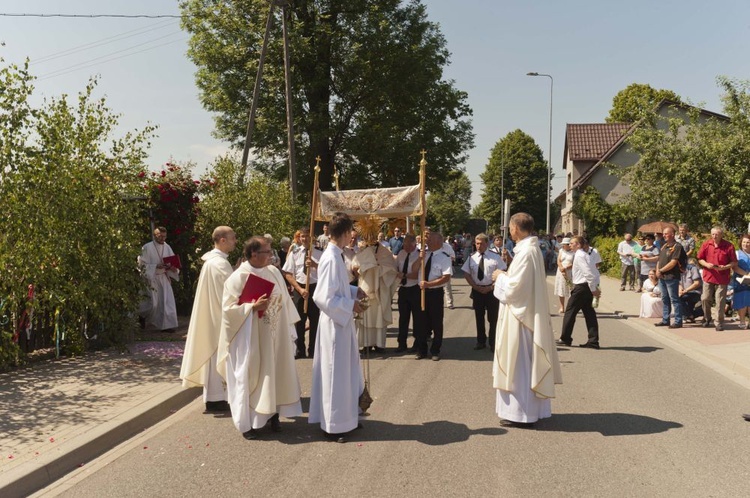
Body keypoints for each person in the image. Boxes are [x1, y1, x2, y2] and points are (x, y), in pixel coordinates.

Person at [216, 236, 302, 440]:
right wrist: (251, 307)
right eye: (267, 252)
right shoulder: (238, 277)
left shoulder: (273, 272)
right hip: (250, 340)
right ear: (254, 254)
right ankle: (247, 423)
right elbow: (228, 312)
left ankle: (272, 415)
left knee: (275, 374)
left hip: (275, 334)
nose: (272, 256)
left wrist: (290, 329)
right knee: (250, 377)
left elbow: (284, 300)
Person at [492, 212, 562, 424]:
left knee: (519, 365)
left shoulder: (527, 252)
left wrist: (500, 277)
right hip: (523, 315)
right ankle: (524, 412)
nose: (510, 231)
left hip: (521, 320)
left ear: (516, 228)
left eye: (511, 227)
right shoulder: (528, 250)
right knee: (520, 364)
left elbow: (514, 290)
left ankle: (522, 414)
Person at [309, 212, 367, 443]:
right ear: (344, 233)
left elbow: (337, 288)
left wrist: (354, 292)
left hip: (340, 323)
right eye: (351, 231)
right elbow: (323, 297)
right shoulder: (331, 258)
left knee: (345, 373)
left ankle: (347, 418)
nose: (352, 236)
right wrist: (351, 305)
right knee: (335, 375)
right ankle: (333, 426)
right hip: (334, 325)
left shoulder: (336, 254)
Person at [180, 226, 237, 413]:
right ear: (222, 240)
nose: (235, 240)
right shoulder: (219, 264)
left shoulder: (213, 262)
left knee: (214, 358)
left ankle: (215, 398)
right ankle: (217, 399)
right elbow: (231, 292)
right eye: (232, 237)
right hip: (219, 317)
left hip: (214, 315)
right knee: (217, 357)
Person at [352, 235, 399, 352]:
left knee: (379, 316)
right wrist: (365, 267)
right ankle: (366, 344)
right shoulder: (362, 252)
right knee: (365, 316)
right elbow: (354, 267)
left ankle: (379, 344)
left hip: (380, 289)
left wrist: (378, 269)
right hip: (366, 288)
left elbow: (392, 269)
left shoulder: (385, 252)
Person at [282, 227, 322, 359]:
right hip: (300, 287)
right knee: (299, 320)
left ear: (313, 238)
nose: (305, 239)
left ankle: (313, 350)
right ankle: (300, 349)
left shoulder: (321, 253)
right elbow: (288, 273)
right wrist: (299, 289)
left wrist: (316, 265)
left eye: (307, 236)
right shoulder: (295, 252)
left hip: (315, 287)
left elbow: (327, 272)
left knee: (315, 321)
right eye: (302, 236)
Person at [415, 230, 453, 361]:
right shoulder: (423, 255)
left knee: (436, 322)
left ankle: (435, 350)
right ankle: (421, 349)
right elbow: (414, 270)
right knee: (421, 322)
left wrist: (429, 284)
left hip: (435, 293)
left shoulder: (444, 257)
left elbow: (446, 277)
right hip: (421, 292)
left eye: (430, 240)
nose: (427, 241)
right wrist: (420, 258)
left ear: (438, 242)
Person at [462, 233, 504, 350]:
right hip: (477, 290)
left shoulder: (495, 257)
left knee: (493, 318)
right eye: (477, 243)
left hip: (491, 290)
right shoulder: (472, 257)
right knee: (479, 317)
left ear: (487, 243)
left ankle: (493, 342)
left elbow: (502, 273)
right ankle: (480, 341)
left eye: (481, 243)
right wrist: (475, 287)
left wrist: (491, 287)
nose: (478, 246)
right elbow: (466, 273)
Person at [558, 236, 601, 348]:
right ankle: (593, 340)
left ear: (578, 245)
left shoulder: (580, 256)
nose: (570, 245)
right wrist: (594, 287)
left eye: (572, 243)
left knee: (570, 312)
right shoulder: (585, 255)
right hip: (586, 286)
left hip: (582, 287)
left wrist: (594, 289)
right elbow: (595, 272)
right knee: (589, 313)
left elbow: (588, 273)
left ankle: (565, 338)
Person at [138, 226, 179, 331]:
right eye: (160, 236)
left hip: (163, 278)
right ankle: (142, 317)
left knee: (167, 303)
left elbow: (173, 262)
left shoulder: (167, 247)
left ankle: (167, 326)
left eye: (164, 236)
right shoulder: (147, 247)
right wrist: (156, 266)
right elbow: (141, 265)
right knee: (153, 304)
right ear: (154, 235)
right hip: (151, 278)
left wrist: (173, 268)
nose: (163, 239)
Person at [697, 226, 737, 331]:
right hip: (708, 274)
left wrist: (726, 267)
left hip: (722, 276)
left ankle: (719, 322)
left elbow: (734, 262)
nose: (714, 236)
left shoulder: (728, 246)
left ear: (721, 235)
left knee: (720, 300)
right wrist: (706, 264)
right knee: (705, 298)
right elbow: (700, 259)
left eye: (717, 234)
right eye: (713, 234)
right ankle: (707, 318)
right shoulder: (706, 244)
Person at [655, 226, 686, 329]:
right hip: (662, 277)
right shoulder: (664, 246)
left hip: (671, 276)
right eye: (663, 234)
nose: (664, 235)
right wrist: (657, 271)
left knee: (674, 299)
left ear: (672, 235)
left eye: (666, 234)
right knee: (665, 299)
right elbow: (659, 260)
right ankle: (665, 319)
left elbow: (673, 262)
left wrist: (661, 270)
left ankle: (678, 321)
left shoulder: (677, 246)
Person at [395, 234, 422, 352]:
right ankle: (402, 343)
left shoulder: (420, 255)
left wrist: (405, 275)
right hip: (403, 289)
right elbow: (396, 268)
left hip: (415, 288)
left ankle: (417, 343)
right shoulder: (401, 254)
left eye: (407, 244)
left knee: (417, 318)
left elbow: (419, 274)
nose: (405, 247)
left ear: (413, 244)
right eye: (404, 244)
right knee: (403, 318)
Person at [732, 234, 750, 329]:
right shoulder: (736, 253)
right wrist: (746, 274)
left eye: (748, 242)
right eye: (744, 242)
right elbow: (734, 267)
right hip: (740, 281)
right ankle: (742, 321)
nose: (746, 244)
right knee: (742, 301)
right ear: (741, 242)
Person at [679, 257, 704, 323]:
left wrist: (685, 290)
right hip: (686, 292)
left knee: (680, 299)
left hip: (695, 292)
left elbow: (697, 283)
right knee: (682, 300)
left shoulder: (693, 269)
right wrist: (681, 290)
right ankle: (690, 316)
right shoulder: (679, 271)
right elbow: (679, 283)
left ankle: (690, 315)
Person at [554, 237, 574, 314]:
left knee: (570, 288)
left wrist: (566, 268)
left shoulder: (573, 253)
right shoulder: (561, 251)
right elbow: (558, 260)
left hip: (569, 273)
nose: (563, 246)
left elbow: (574, 263)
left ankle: (570, 306)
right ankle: (562, 306)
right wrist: (561, 267)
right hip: (561, 272)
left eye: (564, 244)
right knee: (561, 289)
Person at [442, 237, 457, 309]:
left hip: (445, 270)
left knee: (447, 287)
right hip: (435, 270)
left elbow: (453, 257)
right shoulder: (432, 246)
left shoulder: (447, 247)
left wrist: (445, 259)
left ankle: (449, 303)